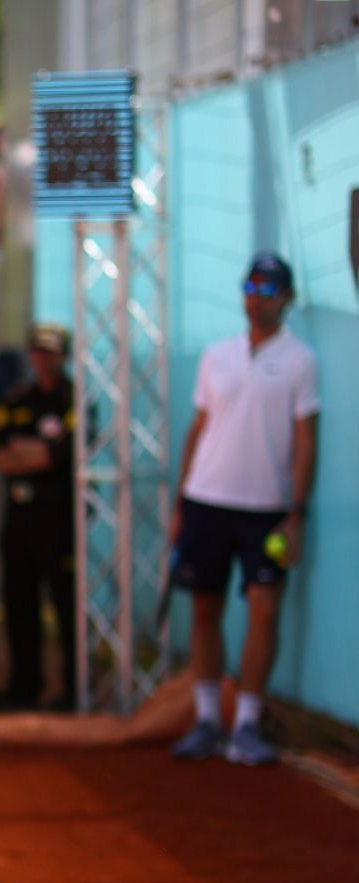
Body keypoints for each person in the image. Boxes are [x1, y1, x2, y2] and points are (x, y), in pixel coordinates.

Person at [169, 253, 320, 765]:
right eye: (250, 286)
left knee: (264, 610)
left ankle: (248, 725)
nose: (257, 296)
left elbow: (306, 440)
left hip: (266, 512)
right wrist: (181, 503)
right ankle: (209, 719)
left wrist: (295, 512)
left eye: (268, 288)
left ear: (286, 298)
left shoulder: (301, 361)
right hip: (206, 502)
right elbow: (199, 428)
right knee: (204, 608)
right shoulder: (216, 355)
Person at [0, 324, 77, 710]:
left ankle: (74, 689)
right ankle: (23, 685)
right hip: (18, 520)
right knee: (19, 603)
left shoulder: (73, 400)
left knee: (67, 605)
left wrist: (25, 454)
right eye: (37, 351)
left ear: (64, 355)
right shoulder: (17, 398)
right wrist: (32, 454)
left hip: (60, 521)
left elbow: (61, 456)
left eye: (50, 352)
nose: (43, 359)